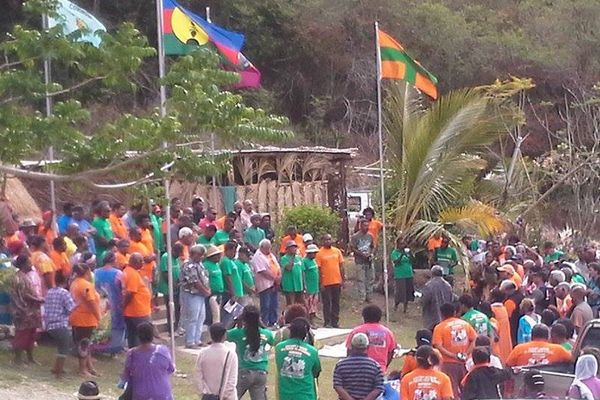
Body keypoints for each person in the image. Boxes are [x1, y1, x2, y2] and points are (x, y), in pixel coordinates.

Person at [227, 305, 275, 400]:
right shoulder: (267, 333)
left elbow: (224, 334)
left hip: (244, 372)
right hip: (261, 372)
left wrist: (235, 321)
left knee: (230, 397)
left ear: (244, 317)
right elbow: (271, 341)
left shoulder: (238, 332)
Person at [432, 302, 477, 397]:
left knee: (452, 391)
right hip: (465, 362)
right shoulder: (465, 324)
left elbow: (438, 346)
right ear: (455, 312)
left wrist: (453, 356)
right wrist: (466, 354)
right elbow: (474, 339)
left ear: (441, 314)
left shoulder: (440, 327)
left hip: (448, 363)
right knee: (466, 389)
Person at [121, 321, 175, 400]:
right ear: (152, 335)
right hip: (163, 393)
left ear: (138, 336)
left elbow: (126, 375)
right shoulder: (163, 351)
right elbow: (171, 369)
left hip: (141, 394)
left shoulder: (131, 354)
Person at [10, 255, 44, 365]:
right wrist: (38, 299)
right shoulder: (19, 278)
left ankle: (30, 358)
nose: (31, 264)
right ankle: (18, 359)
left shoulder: (25, 276)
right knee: (22, 334)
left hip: (31, 311)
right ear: (24, 264)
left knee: (31, 335)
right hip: (24, 311)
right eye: (29, 262)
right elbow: (25, 295)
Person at [275, 318, 321, 400]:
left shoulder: (279, 348)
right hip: (306, 395)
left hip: (285, 395)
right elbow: (316, 371)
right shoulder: (312, 351)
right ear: (305, 334)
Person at [345, 304, 397, 373]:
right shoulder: (388, 333)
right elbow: (391, 352)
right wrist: (384, 366)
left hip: (358, 369)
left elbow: (349, 350)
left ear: (363, 317)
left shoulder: (356, 331)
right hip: (379, 369)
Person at [70, 263, 101, 377]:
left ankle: (89, 367)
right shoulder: (86, 285)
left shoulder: (74, 283)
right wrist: (99, 317)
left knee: (85, 343)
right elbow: (91, 302)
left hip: (77, 317)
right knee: (83, 343)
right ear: (87, 272)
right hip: (85, 318)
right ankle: (82, 369)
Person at [334, 332, 384, 400]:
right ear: (368, 347)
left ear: (351, 346)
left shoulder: (341, 365)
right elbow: (378, 388)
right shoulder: (375, 366)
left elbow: (337, 385)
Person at [43, 272, 75, 377]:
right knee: (64, 348)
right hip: (60, 324)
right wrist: (79, 303)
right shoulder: (64, 293)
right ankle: (59, 371)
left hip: (49, 324)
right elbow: (71, 308)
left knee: (60, 346)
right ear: (65, 281)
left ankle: (56, 367)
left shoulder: (49, 292)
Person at [195, 323, 238, 400]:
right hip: (227, 397)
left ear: (210, 335)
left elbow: (198, 374)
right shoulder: (230, 354)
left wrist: (204, 391)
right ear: (225, 336)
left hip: (208, 396)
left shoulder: (203, 353)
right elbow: (232, 380)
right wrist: (223, 395)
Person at [94, 251, 125, 353]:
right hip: (115, 302)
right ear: (113, 260)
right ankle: (114, 347)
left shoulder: (96, 272)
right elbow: (123, 289)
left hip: (101, 303)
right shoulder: (118, 273)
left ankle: (100, 346)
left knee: (103, 324)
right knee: (116, 325)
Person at [180, 245, 211, 348]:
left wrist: (207, 289)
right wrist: (205, 291)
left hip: (201, 294)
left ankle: (197, 340)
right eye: (200, 255)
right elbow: (194, 281)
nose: (202, 257)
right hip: (192, 294)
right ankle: (190, 341)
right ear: (194, 254)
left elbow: (204, 277)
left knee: (201, 317)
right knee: (192, 317)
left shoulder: (199, 264)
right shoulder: (188, 265)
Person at [122, 253, 152, 348]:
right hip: (138, 312)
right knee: (144, 337)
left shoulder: (129, 271)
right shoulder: (132, 274)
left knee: (133, 336)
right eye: (141, 261)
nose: (143, 263)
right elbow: (130, 293)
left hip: (134, 311)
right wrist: (124, 305)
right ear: (136, 262)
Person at [506, 324, 572, 367]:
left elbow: (508, 365)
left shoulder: (519, 348)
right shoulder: (558, 349)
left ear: (531, 336)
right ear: (548, 337)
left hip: (523, 383)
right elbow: (572, 360)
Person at [316, 233, 344, 328]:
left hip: (336, 281)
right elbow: (318, 269)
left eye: (329, 239)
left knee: (336, 302)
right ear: (322, 241)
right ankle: (327, 322)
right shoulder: (319, 253)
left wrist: (343, 279)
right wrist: (321, 283)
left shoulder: (337, 251)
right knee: (327, 303)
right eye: (326, 240)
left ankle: (335, 322)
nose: (328, 241)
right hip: (326, 282)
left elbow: (341, 266)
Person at [250, 239, 281, 327]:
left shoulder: (270, 255)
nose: (268, 250)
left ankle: (273, 322)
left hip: (274, 284)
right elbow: (262, 271)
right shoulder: (258, 256)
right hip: (265, 285)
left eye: (269, 248)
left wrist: (278, 276)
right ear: (262, 247)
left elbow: (277, 267)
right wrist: (274, 278)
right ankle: (265, 323)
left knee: (274, 304)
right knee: (266, 305)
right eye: (267, 248)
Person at [159, 242, 183, 337]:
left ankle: (177, 327)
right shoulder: (166, 257)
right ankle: (170, 329)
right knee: (171, 309)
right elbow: (165, 273)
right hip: (168, 288)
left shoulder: (176, 259)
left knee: (178, 308)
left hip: (177, 287)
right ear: (174, 250)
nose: (179, 255)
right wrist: (172, 285)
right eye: (178, 253)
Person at [420, 265, 454, 329]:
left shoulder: (429, 285)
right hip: (445, 319)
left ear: (432, 274)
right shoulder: (448, 286)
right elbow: (451, 300)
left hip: (432, 319)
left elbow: (424, 301)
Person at [350, 218, 375, 303]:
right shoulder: (355, 236)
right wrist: (361, 254)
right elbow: (352, 248)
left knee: (370, 278)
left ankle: (370, 296)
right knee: (361, 279)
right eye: (364, 226)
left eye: (367, 226)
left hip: (369, 260)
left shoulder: (370, 236)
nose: (366, 227)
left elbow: (372, 246)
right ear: (360, 226)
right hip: (359, 261)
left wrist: (370, 254)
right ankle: (362, 297)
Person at [391, 237, 414, 313]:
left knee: (407, 291)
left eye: (404, 243)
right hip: (400, 274)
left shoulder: (407, 252)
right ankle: (396, 306)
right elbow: (396, 262)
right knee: (400, 292)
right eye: (401, 244)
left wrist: (410, 254)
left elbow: (412, 261)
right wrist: (401, 255)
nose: (403, 245)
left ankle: (405, 308)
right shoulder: (395, 253)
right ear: (397, 244)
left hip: (408, 274)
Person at [203, 244, 225, 326]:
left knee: (217, 315)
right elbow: (205, 280)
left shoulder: (217, 265)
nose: (219, 257)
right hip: (212, 294)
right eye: (217, 255)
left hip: (219, 293)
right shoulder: (206, 265)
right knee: (213, 316)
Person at [280, 240, 305, 306]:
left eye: (295, 247)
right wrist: (293, 257)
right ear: (287, 249)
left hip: (299, 285)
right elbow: (288, 268)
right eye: (292, 247)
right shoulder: (284, 258)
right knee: (290, 304)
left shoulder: (299, 258)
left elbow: (302, 271)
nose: (294, 249)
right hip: (289, 286)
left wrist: (304, 284)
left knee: (300, 304)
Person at [302, 244, 320, 324]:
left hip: (315, 287)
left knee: (314, 305)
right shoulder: (304, 261)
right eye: (313, 253)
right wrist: (304, 286)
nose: (315, 254)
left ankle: (313, 320)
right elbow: (303, 273)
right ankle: (309, 322)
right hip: (309, 287)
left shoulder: (314, 261)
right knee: (308, 305)